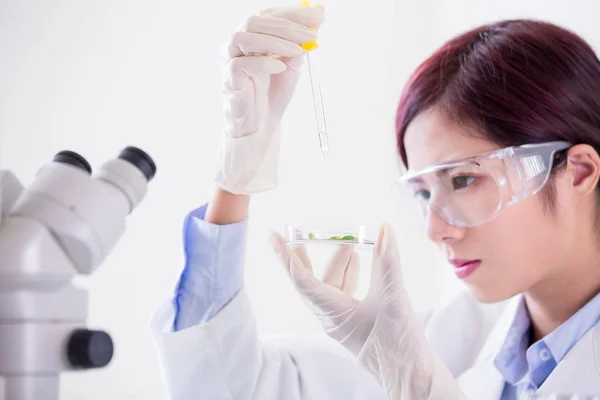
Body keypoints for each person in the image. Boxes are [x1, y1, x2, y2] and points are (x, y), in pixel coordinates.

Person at [151, 4, 600, 399]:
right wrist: (238, 174)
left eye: (464, 179)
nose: (434, 229)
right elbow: (228, 388)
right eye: (423, 193)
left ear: (579, 171)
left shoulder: (418, 363)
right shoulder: (449, 341)